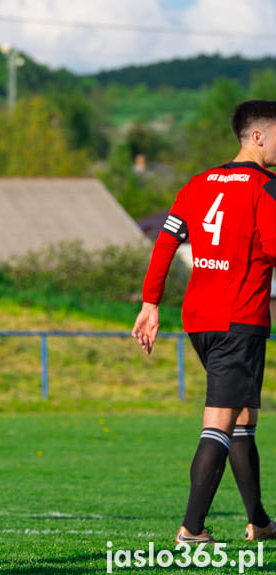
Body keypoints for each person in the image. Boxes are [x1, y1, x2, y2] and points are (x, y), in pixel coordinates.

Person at [132, 99, 276, 544]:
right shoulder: (264, 187)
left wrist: (150, 302)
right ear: (257, 136)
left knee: (242, 416)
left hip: (200, 319)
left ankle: (261, 522)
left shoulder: (197, 184)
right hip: (239, 319)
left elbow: (166, 242)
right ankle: (191, 529)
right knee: (219, 419)